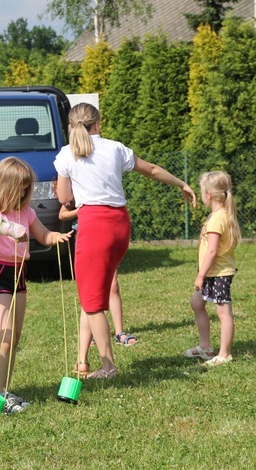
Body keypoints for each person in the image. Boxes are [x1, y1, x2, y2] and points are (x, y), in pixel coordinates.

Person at [54, 103, 196, 379]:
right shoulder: (116, 148)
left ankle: (108, 367)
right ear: (98, 123)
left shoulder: (66, 154)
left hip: (94, 226)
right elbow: (153, 170)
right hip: (120, 225)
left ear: (71, 126)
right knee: (91, 294)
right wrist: (182, 184)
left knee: (93, 303)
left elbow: (62, 199)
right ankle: (82, 361)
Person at [0, 157, 72, 413]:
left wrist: (55, 236)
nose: (24, 191)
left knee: (13, 339)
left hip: (18, 273)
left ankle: (4, 390)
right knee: (3, 337)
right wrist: (5, 228)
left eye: (27, 187)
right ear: (5, 185)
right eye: (20, 186)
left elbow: (43, 235)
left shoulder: (27, 212)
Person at [58, 201, 138, 376]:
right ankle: (84, 360)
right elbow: (62, 213)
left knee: (105, 292)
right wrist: (82, 210)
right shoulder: (75, 194)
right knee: (89, 301)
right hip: (88, 238)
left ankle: (118, 333)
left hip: (102, 236)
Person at [182, 171, 240, 366]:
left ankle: (224, 355)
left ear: (209, 195)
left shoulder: (217, 218)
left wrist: (200, 275)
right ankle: (205, 347)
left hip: (218, 274)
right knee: (197, 303)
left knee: (224, 313)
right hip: (210, 273)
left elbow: (213, 251)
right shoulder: (218, 215)